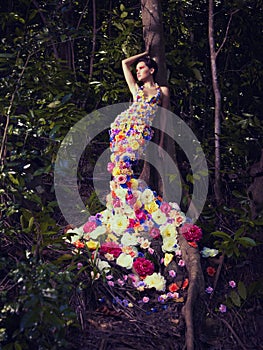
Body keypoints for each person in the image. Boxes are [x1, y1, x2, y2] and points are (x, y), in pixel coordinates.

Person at [69, 50, 201, 293]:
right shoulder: (136, 91)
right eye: (138, 69)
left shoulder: (162, 92)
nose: (138, 72)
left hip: (139, 135)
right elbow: (123, 64)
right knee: (119, 172)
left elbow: (163, 119)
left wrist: (160, 144)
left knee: (124, 170)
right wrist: (144, 54)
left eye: (142, 68)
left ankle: (128, 211)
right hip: (121, 130)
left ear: (152, 70)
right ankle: (121, 210)